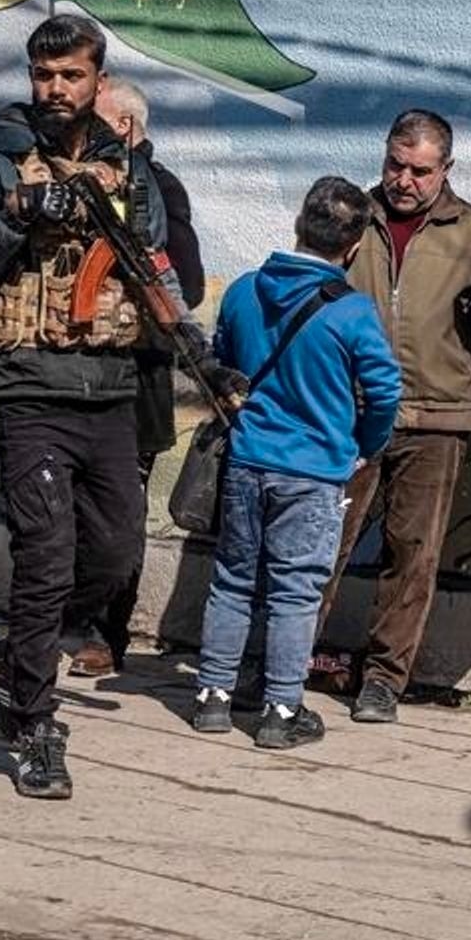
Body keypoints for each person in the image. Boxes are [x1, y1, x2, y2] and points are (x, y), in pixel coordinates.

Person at [0, 14, 192, 800]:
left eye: (71, 77)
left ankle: (16, 657)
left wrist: (197, 345)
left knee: (113, 555)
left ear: (97, 81)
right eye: (43, 76)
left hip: (109, 388)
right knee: (45, 557)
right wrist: (16, 214)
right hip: (29, 387)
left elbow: (156, 271)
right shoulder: (1, 151)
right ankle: (37, 727)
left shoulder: (127, 168)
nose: (55, 90)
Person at [314, 108, 471, 725]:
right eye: (395, 165)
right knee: (320, 543)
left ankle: (384, 680)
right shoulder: (349, 219)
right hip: (349, 415)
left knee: (412, 555)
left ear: (447, 170)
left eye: (421, 170)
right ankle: (282, 659)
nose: (405, 180)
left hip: (436, 417)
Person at [191, 177, 401, 750]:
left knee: (232, 579)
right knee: (295, 593)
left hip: (247, 458)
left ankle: (212, 696)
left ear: (297, 227)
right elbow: (385, 392)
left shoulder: (242, 291)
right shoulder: (354, 312)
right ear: (353, 247)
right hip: (313, 472)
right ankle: (282, 710)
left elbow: (225, 365)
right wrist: (365, 442)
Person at [65, 75, 207, 678]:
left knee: (117, 513)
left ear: (122, 127)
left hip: (131, 379)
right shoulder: (74, 180)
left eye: (91, 117)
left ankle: (104, 634)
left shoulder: (157, 188)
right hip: (73, 371)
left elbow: (187, 285)